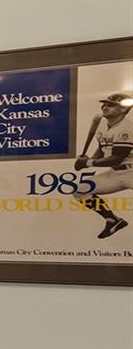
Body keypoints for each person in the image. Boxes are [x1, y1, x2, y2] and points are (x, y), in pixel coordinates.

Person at [74, 91, 133, 240]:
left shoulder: (126, 128)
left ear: (124, 109)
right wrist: (89, 159)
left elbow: (116, 158)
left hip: (131, 172)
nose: (105, 107)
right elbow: (103, 147)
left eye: (111, 105)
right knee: (81, 191)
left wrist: (87, 163)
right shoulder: (101, 122)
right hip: (115, 174)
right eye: (104, 104)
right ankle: (113, 220)